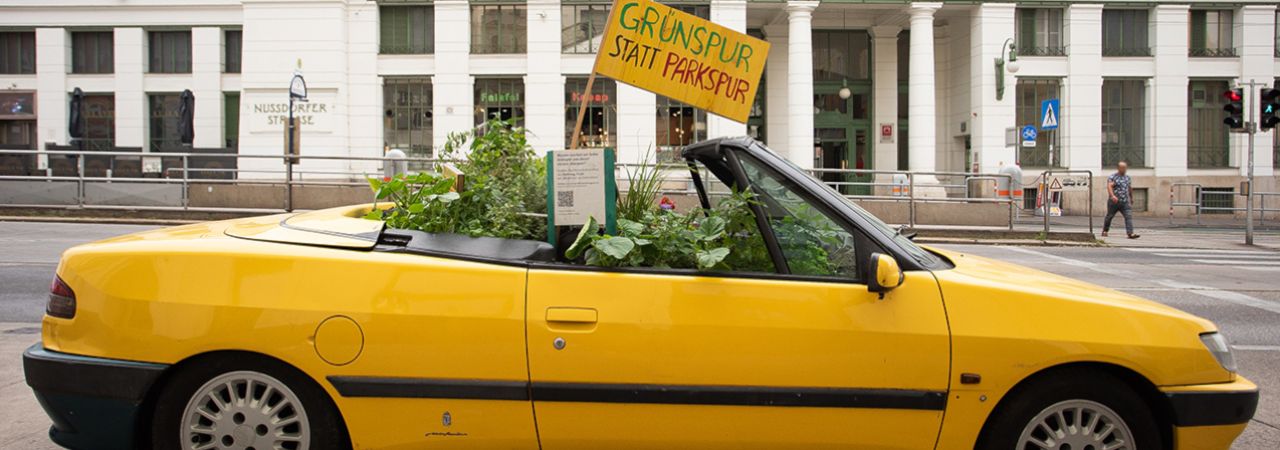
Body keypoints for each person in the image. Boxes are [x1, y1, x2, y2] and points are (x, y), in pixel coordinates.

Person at [1102, 161, 1139, 239]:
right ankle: (1105, 230)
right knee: (1109, 216)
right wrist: (1112, 196)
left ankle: (1130, 233)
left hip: (1125, 201)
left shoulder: (1127, 177)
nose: (1124, 169)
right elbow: (1109, 186)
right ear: (1118, 168)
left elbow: (1129, 188)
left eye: (1125, 168)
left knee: (1128, 216)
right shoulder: (1113, 177)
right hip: (1114, 202)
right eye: (1122, 168)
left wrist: (1131, 198)